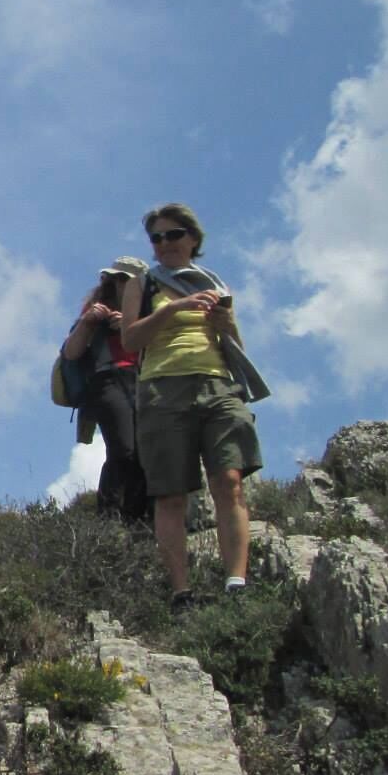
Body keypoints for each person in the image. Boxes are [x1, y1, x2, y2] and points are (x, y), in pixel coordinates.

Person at [118, 203, 271, 609]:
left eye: (173, 235)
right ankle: (180, 593)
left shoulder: (214, 285)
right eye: (156, 238)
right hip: (161, 390)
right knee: (170, 495)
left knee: (230, 482)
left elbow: (234, 343)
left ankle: (236, 581)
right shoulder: (143, 284)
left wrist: (227, 323)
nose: (164, 244)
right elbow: (130, 340)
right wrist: (171, 309)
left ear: (192, 239)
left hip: (217, 383)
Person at [61, 259, 149, 525]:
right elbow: (71, 353)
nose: (120, 284)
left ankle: (136, 520)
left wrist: (130, 326)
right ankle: (108, 521)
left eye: (126, 279)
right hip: (107, 380)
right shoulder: (96, 310)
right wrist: (88, 322)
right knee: (123, 449)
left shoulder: (151, 312)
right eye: (117, 278)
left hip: (145, 380)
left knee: (145, 453)